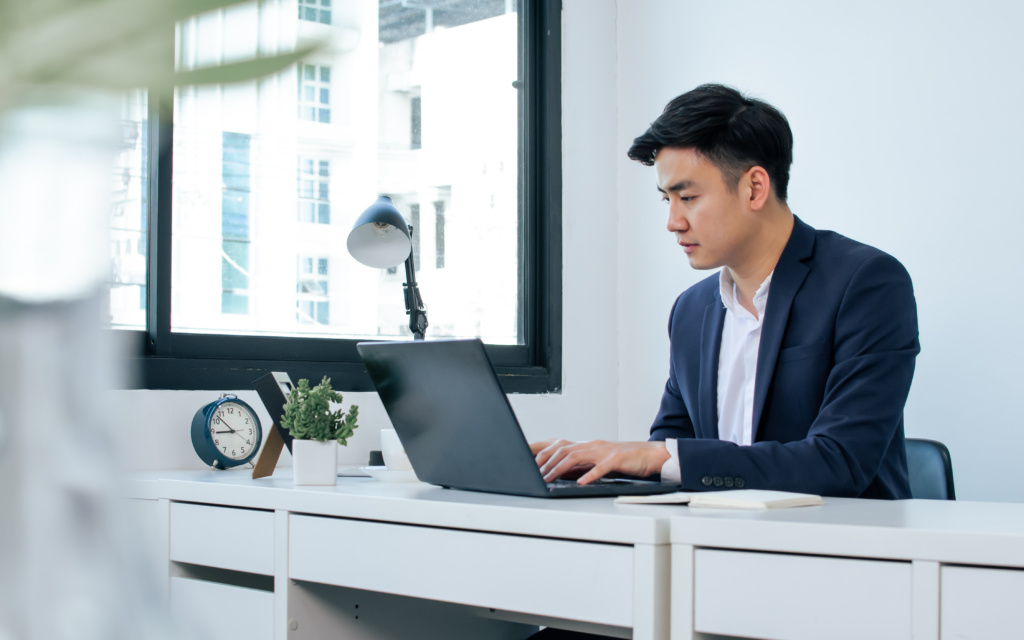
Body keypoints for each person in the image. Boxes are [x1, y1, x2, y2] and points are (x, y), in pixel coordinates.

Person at [533, 84, 919, 500]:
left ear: (754, 188)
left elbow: (840, 462)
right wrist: (588, 466)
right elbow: (669, 452)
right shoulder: (691, 310)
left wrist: (659, 458)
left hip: (845, 549)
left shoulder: (866, 283)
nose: (673, 221)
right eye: (666, 199)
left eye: (688, 197)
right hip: (715, 545)